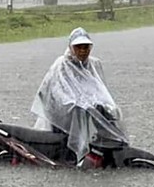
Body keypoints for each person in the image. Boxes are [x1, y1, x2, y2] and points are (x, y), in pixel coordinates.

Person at [30, 27, 120, 167]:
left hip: (82, 110)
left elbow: (99, 88)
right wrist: (72, 102)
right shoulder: (61, 65)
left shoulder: (93, 64)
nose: (83, 51)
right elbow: (57, 91)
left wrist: (106, 104)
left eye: (86, 47)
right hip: (59, 113)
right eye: (78, 47)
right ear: (71, 47)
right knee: (66, 144)